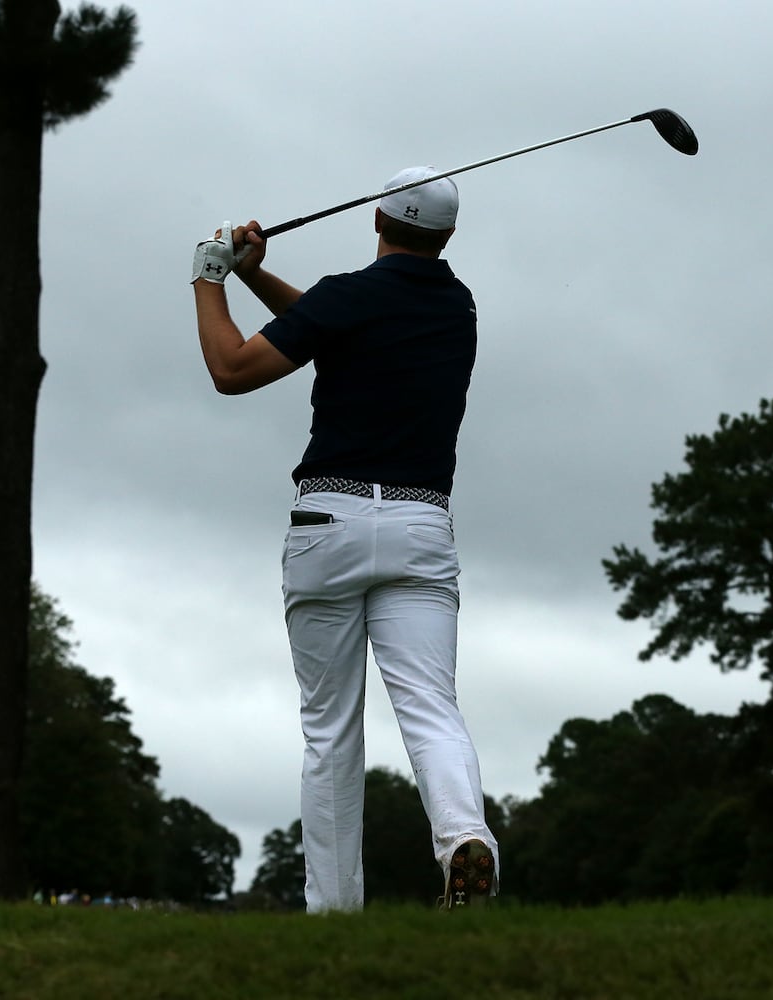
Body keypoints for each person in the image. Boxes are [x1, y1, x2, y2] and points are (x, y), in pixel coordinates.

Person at [189, 168, 499, 913]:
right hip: (421, 528)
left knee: (330, 730)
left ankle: (333, 914)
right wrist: (256, 277)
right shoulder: (458, 307)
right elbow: (331, 326)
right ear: (448, 234)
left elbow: (232, 370)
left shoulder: (348, 296)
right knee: (431, 706)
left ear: (377, 220)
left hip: (328, 526)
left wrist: (210, 278)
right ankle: (465, 837)